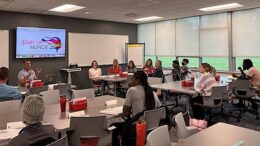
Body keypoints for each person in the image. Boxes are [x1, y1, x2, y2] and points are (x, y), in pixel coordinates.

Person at [111, 71, 161, 146]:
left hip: (137, 127)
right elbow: (159, 108)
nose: (131, 81)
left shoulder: (132, 90)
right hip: (152, 126)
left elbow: (125, 113)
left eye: (132, 79)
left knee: (113, 126)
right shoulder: (152, 92)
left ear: (137, 80)